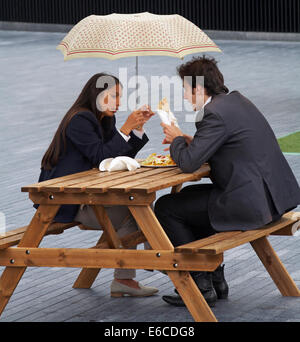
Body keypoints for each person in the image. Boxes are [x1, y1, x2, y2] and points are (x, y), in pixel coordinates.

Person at [155, 56, 300, 308]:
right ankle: (215, 280)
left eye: (186, 91)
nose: (186, 98)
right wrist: (193, 142)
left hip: (251, 205)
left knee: (167, 207)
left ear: (199, 89)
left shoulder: (212, 114)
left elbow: (188, 163)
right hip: (271, 199)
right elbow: (226, 144)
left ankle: (199, 283)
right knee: (192, 203)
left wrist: (177, 138)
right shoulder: (238, 101)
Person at [37, 73, 158, 298]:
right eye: (114, 96)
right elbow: (99, 156)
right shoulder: (79, 120)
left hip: (85, 194)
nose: (118, 103)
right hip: (65, 201)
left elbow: (118, 154)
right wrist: (125, 129)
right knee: (136, 209)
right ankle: (155, 259)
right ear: (98, 95)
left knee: (140, 206)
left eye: (120, 96)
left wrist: (137, 128)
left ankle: (136, 270)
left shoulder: (104, 119)